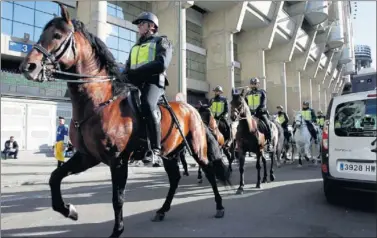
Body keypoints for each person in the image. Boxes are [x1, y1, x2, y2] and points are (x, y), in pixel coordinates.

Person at [121, 12, 173, 164]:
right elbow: (127, 68)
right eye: (139, 24)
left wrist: (135, 72)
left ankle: (155, 150)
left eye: (141, 23)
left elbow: (161, 63)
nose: (138, 26)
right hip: (136, 83)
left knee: (147, 105)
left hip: (153, 82)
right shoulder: (135, 47)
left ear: (151, 26)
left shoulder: (162, 41)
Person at [245, 77, 272, 151]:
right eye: (252, 84)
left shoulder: (262, 92)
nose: (253, 85)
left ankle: (269, 142)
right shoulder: (248, 93)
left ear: (258, 84)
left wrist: (257, 111)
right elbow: (245, 104)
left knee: (267, 124)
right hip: (250, 114)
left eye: (255, 84)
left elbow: (263, 103)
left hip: (260, 113)